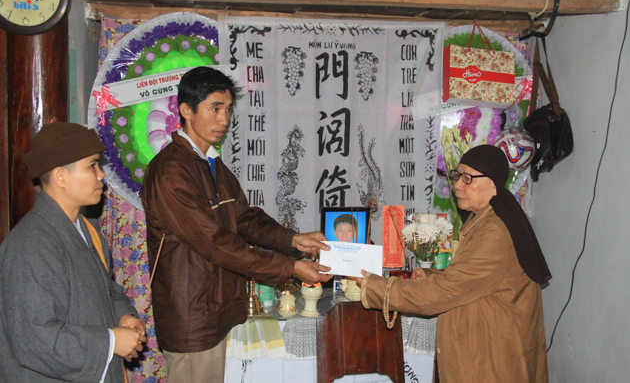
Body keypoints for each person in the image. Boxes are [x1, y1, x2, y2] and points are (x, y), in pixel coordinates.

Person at [141, 66, 332, 382]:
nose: (224, 120)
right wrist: (291, 267)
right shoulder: (171, 171)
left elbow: (243, 218)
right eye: (215, 109)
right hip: (192, 315)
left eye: (228, 109)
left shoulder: (210, 163)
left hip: (216, 308)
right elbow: (214, 242)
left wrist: (293, 240)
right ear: (186, 110)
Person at [358, 145, 551, 383]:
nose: (458, 185)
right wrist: (431, 275)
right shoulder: (483, 218)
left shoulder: (495, 231)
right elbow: (472, 278)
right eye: (457, 176)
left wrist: (373, 286)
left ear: (493, 185)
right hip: (483, 347)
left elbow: (445, 292)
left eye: (468, 178)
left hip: (493, 360)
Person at [0, 122, 146, 383]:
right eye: (92, 165)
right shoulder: (31, 244)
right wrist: (111, 341)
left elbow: (106, 290)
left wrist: (123, 316)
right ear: (60, 176)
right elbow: (35, 339)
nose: (101, 175)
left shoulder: (87, 230)